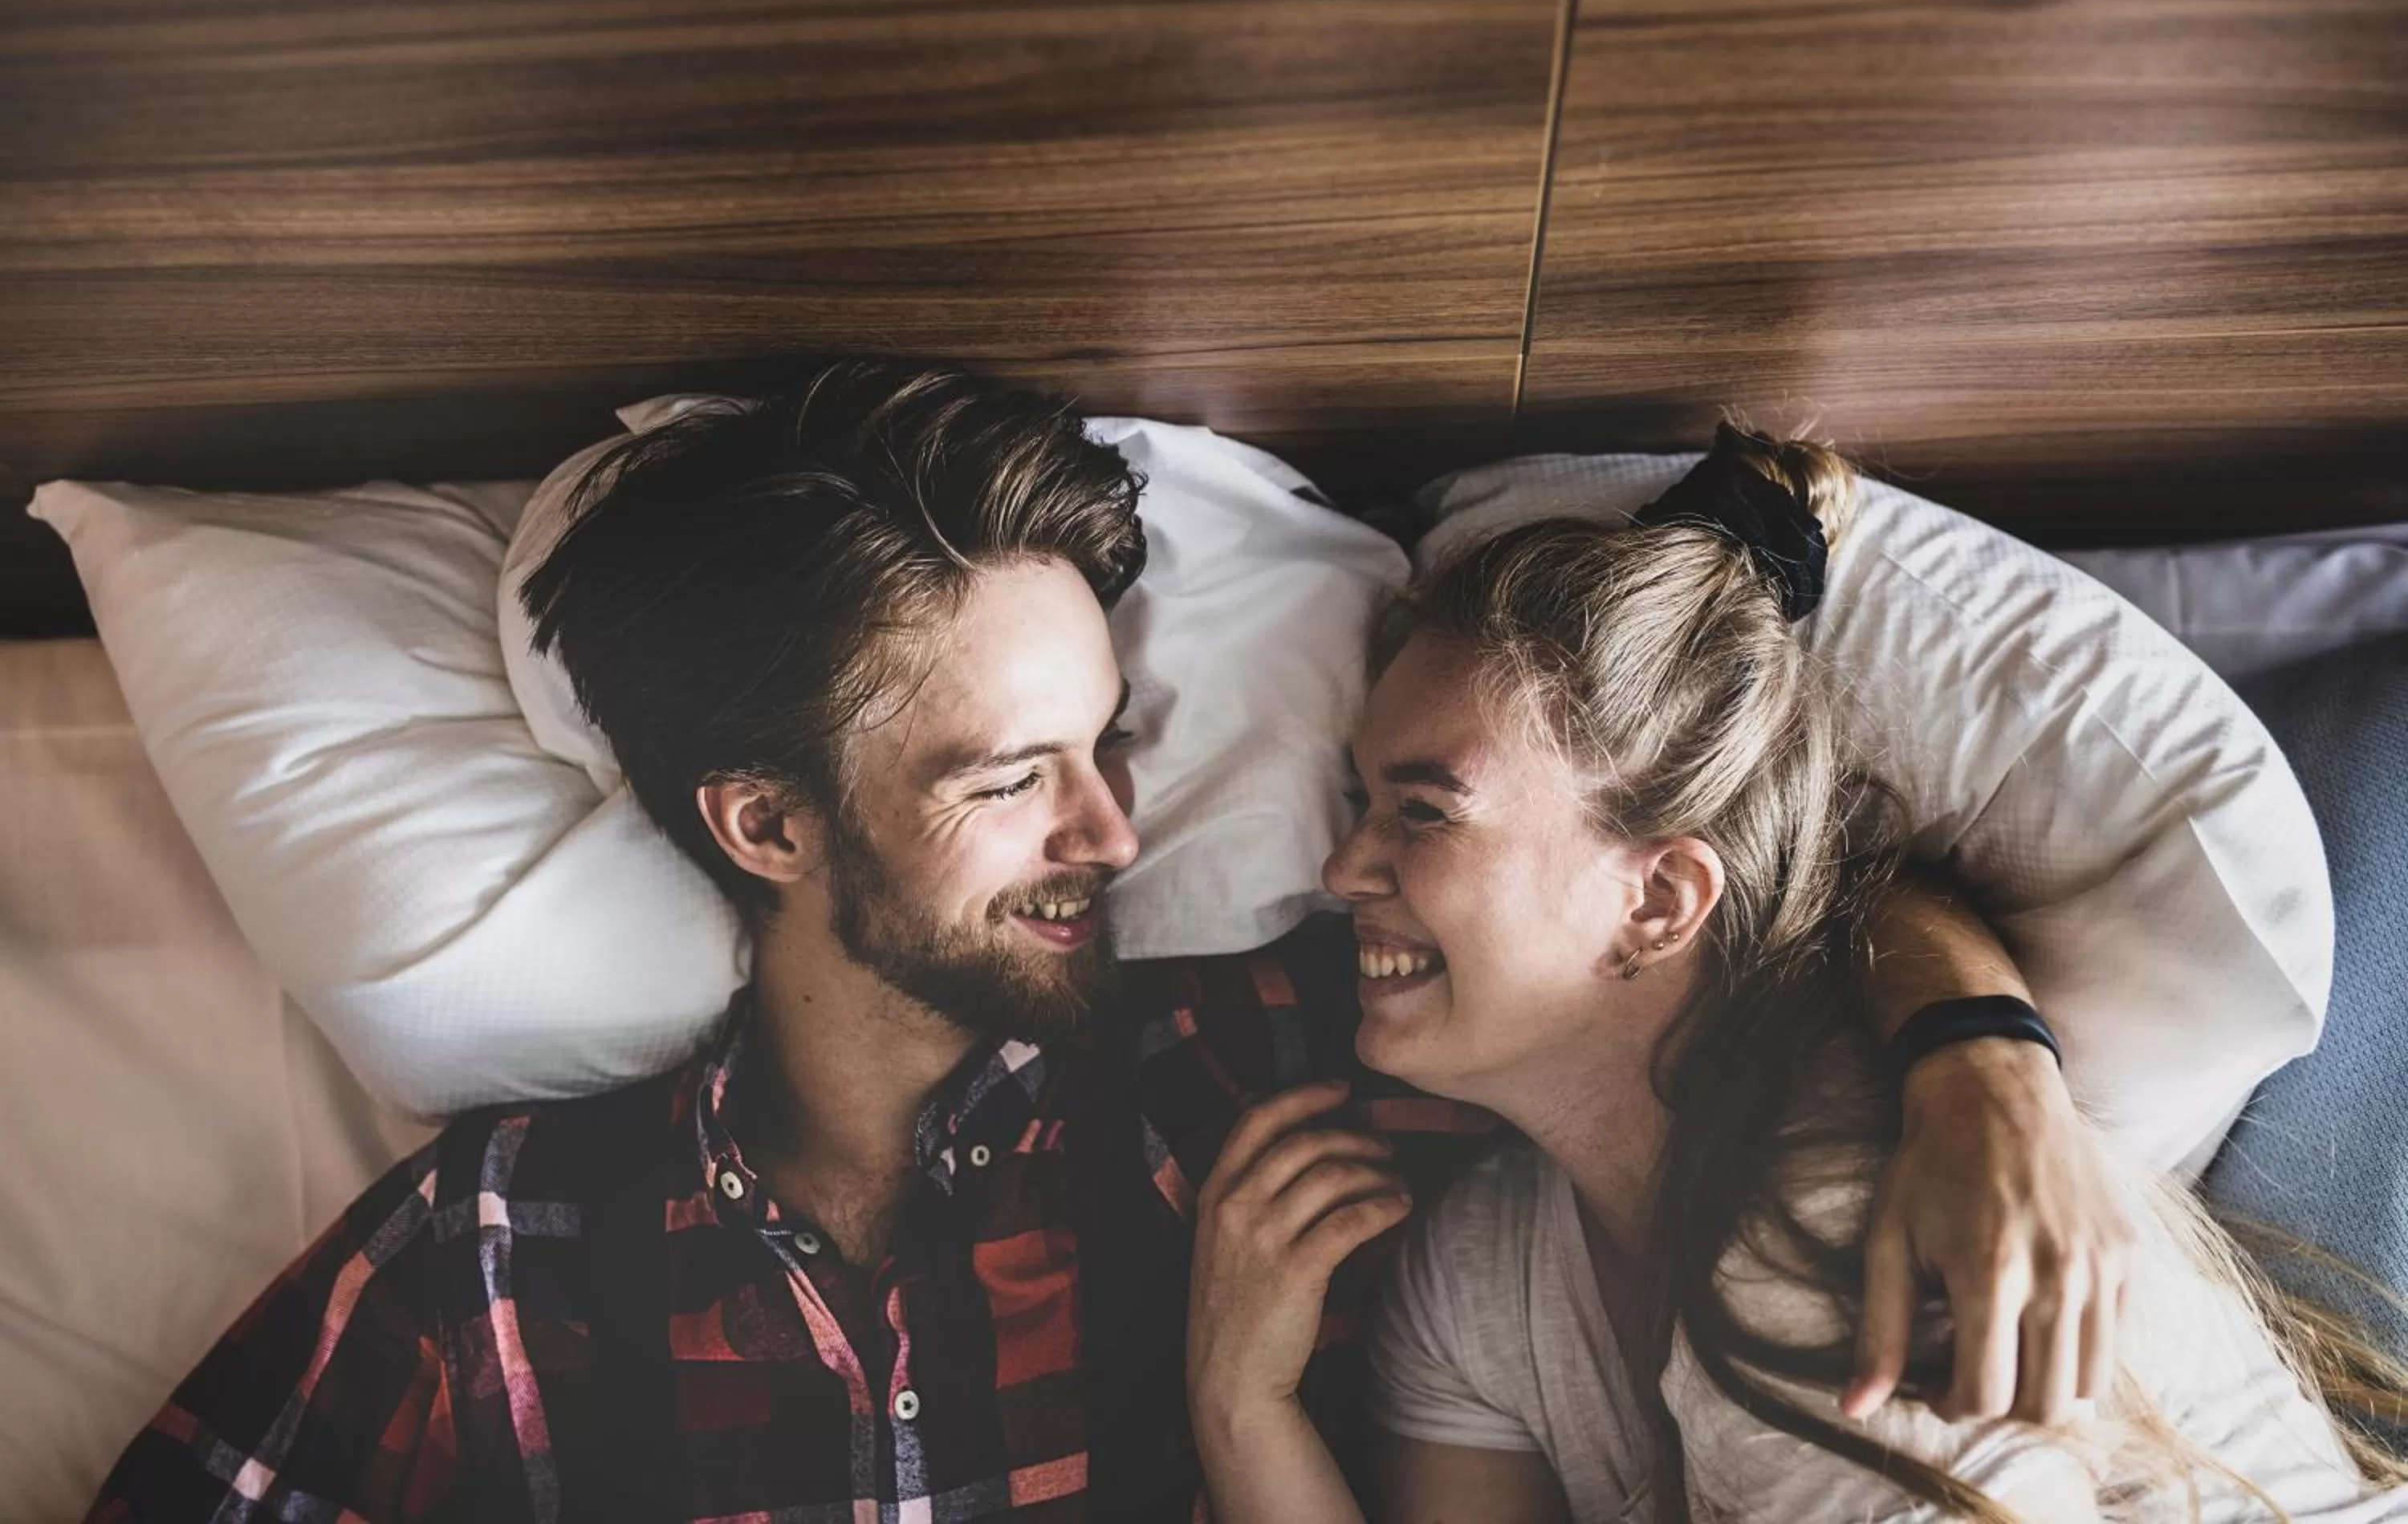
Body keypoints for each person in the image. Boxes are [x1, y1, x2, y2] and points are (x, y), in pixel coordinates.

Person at [89, 368, 2120, 1522]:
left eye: (1111, 748)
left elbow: (1684, 909)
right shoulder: (491, 1253)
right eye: (1010, 780)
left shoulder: (1274, 1077)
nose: (1116, 832)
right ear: (770, 826)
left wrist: (1974, 1044)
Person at [1185, 427, 2408, 1522]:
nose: (1344, 865)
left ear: (1660, 899)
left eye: (1424, 811)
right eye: (1363, 802)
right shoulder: (1482, 1285)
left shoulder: (1840, 1239)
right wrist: (1245, 1410)